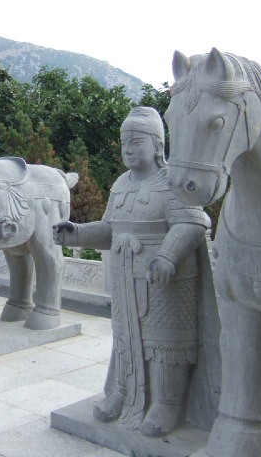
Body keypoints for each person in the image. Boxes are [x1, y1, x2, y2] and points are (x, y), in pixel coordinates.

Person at [53, 107, 217, 437]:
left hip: (167, 280)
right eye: (124, 141)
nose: (127, 148)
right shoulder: (121, 184)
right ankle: (123, 391)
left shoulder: (173, 183)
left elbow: (192, 223)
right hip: (126, 278)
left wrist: (168, 256)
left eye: (136, 141)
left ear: (157, 146)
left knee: (165, 344)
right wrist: (78, 233)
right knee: (126, 337)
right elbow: (111, 229)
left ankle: (166, 403)